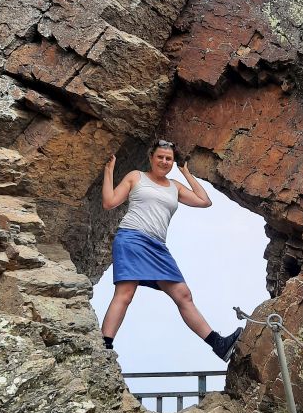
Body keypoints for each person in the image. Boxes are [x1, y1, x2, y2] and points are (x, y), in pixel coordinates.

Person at [101, 140, 242, 361]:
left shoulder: (174, 186)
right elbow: (109, 202)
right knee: (125, 294)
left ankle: (219, 345)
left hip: (158, 247)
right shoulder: (136, 176)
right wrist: (109, 171)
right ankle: (104, 346)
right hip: (132, 239)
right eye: (160, 157)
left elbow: (204, 201)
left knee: (183, 294)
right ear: (151, 158)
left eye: (169, 158)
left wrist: (185, 172)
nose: (164, 161)